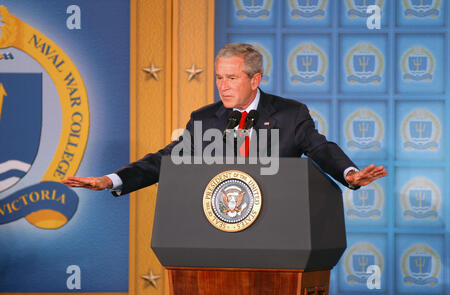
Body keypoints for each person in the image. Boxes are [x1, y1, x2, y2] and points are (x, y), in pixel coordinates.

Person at [62, 43, 388, 195]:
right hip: (218, 228)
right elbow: (167, 160)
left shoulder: (290, 114)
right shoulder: (205, 119)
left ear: (255, 79)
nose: (222, 85)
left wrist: (349, 173)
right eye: (219, 77)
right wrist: (111, 179)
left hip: (280, 230)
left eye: (231, 78)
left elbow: (320, 148)